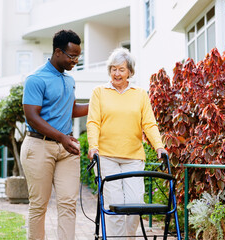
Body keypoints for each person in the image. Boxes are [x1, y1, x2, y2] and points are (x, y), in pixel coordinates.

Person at [87, 47, 167, 239]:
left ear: (130, 71)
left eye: (121, 69)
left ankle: (128, 238)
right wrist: (93, 145)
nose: (117, 73)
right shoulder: (99, 92)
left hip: (133, 157)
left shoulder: (139, 94)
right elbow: (93, 122)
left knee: (134, 203)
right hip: (106, 156)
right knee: (113, 204)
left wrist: (159, 146)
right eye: (113, 69)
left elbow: (149, 123)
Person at [21, 29, 88, 240]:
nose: (76, 61)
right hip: (39, 146)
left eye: (78, 56)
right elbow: (32, 117)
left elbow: (72, 109)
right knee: (39, 205)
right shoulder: (36, 79)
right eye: (72, 56)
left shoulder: (69, 80)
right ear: (58, 52)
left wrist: (99, 103)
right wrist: (61, 137)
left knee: (68, 203)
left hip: (66, 149)